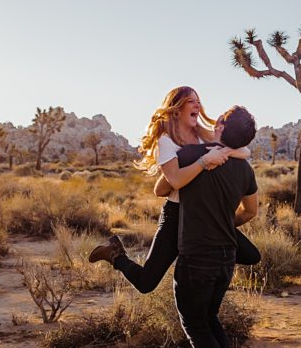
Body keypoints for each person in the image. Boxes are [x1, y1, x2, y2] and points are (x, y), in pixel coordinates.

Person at [88, 86, 259, 291]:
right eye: (191, 101)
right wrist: (205, 159)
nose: (198, 105)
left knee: (250, 255)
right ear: (176, 109)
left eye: (198, 100)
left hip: (206, 214)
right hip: (176, 214)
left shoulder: (202, 134)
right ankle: (114, 254)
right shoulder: (166, 141)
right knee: (146, 283)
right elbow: (174, 183)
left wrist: (224, 153)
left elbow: (244, 150)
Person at [171, 105, 259, 348]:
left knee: (195, 323)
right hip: (226, 255)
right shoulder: (245, 169)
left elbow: (162, 187)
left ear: (220, 127)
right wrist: (223, 221)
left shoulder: (193, 156)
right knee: (209, 320)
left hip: (196, 255)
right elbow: (251, 211)